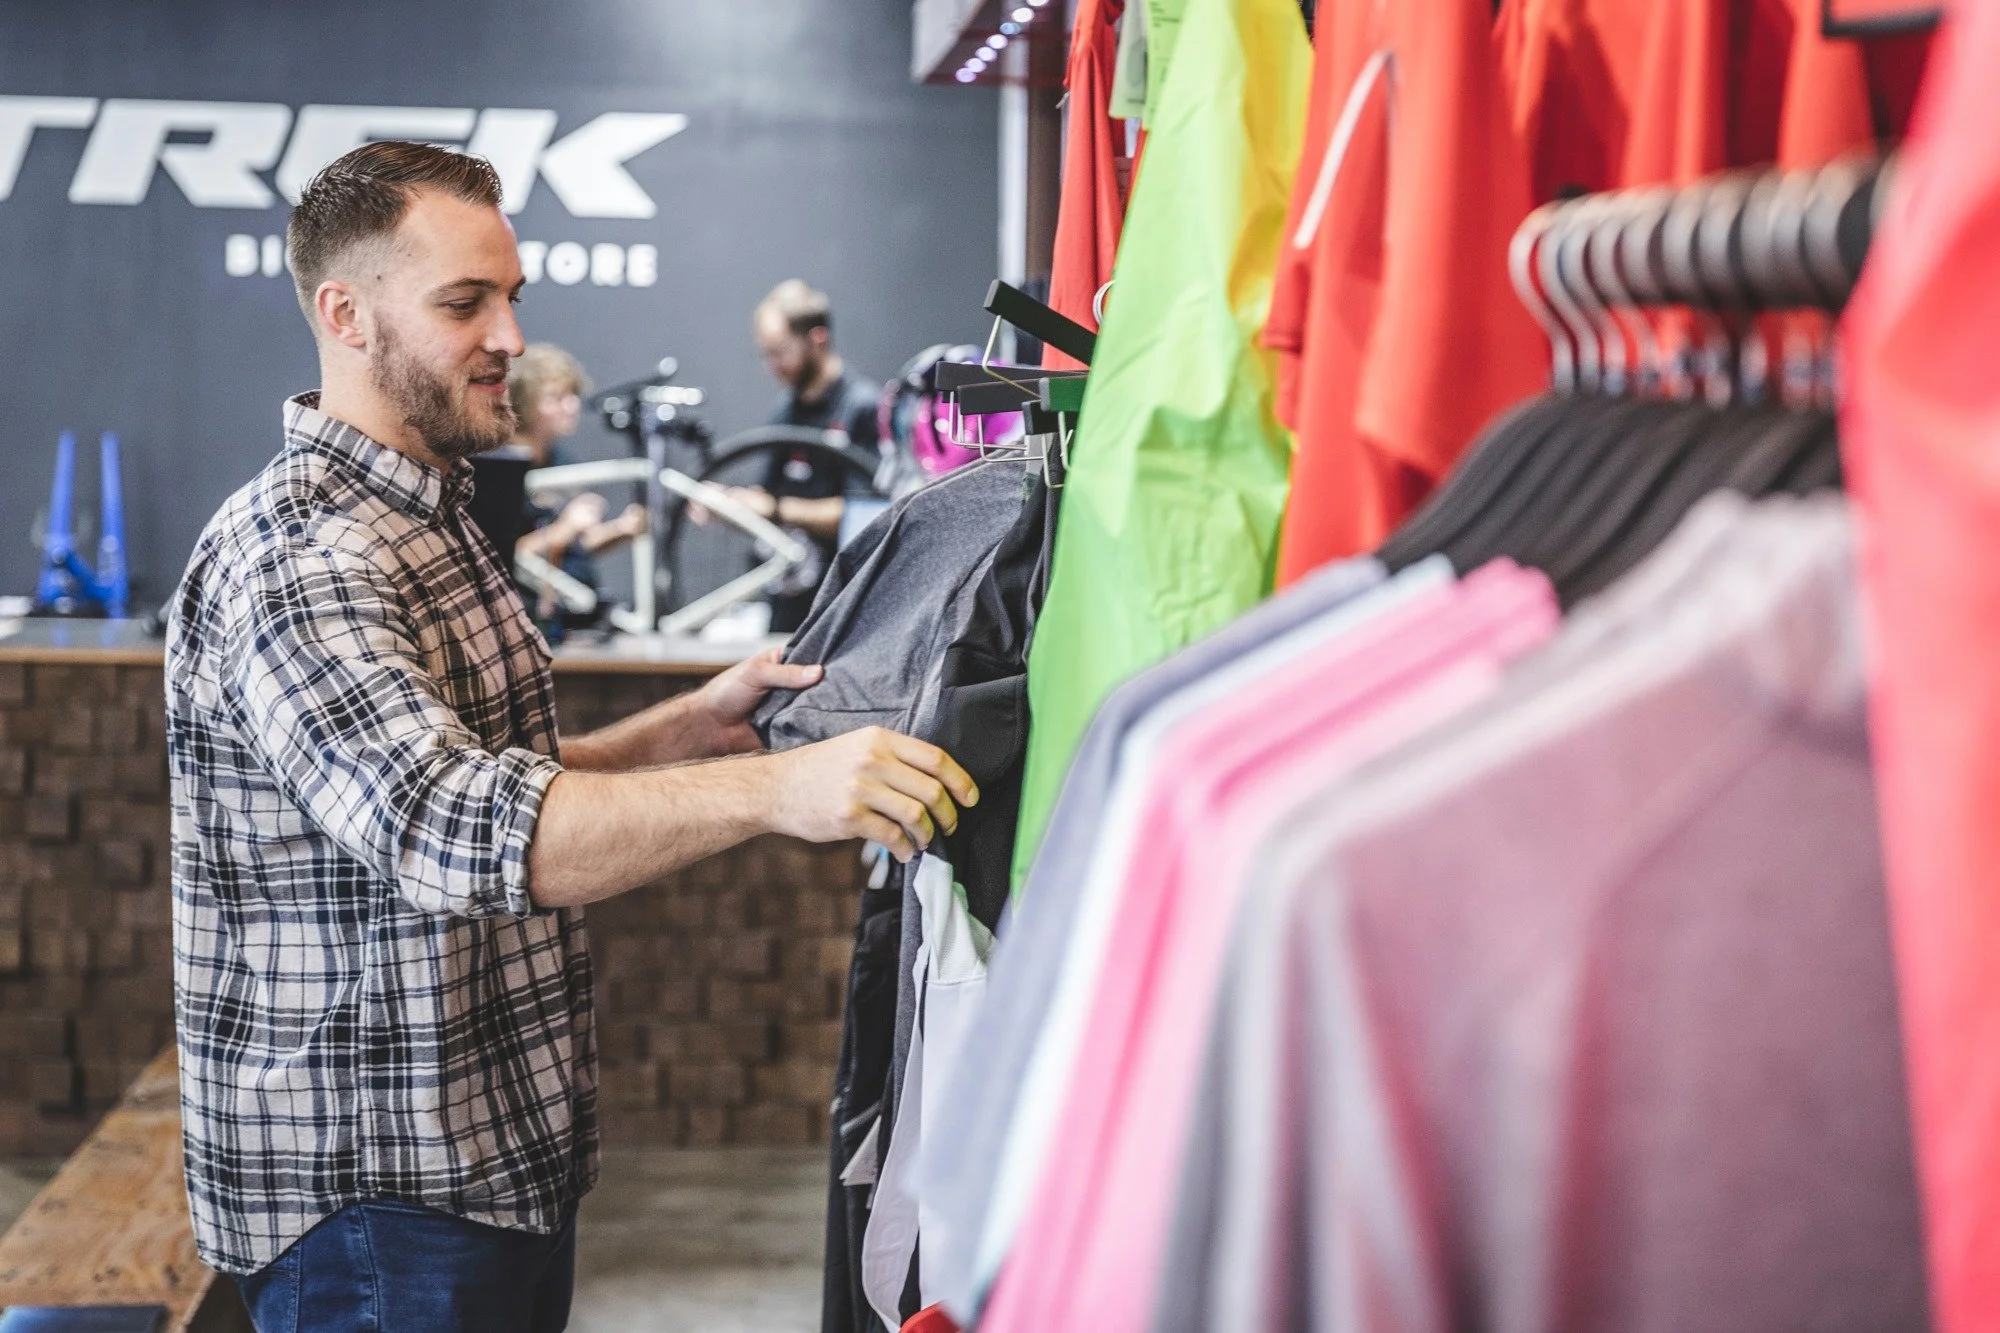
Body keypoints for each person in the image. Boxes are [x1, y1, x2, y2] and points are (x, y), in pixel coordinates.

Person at [163, 141, 975, 1332]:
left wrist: (693, 727)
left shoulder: (429, 515)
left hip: (485, 1166)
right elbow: (451, 826)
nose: (508, 337)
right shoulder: (301, 557)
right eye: (463, 303)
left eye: (510, 297)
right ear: (344, 315)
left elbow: (493, 773)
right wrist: (776, 790)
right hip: (377, 1205)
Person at [701, 279, 884, 632]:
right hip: (785, 606)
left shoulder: (863, 406)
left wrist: (774, 509)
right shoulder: (786, 408)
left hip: (841, 610)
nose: (772, 366)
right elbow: (766, 496)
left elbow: (867, 515)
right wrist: (728, 504)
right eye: (765, 354)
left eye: (780, 352)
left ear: (818, 339)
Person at [502, 343, 644, 628]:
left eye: (572, 396)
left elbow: (578, 546)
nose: (572, 406)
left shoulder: (561, 462)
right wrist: (565, 528)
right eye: (556, 398)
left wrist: (622, 530)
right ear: (525, 402)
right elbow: (500, 555)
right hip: (524, 617)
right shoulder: (501, 467)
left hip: (573, 611)